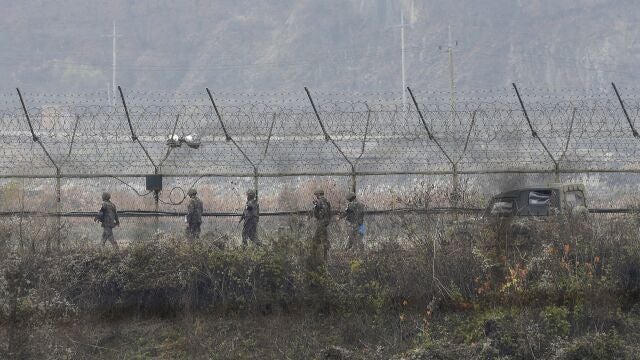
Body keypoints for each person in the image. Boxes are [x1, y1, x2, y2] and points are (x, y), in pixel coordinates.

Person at [312, 189, 332, 263]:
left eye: (316, 195)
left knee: (322, 239)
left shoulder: (320, 202)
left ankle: (324, 257)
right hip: (325, 222)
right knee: (317, 238)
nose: (316, 196)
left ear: (319, 194)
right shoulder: (327, 202)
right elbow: (329, 213)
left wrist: (316, 206)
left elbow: (317, 214)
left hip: (322, 222)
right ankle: (321, 256)